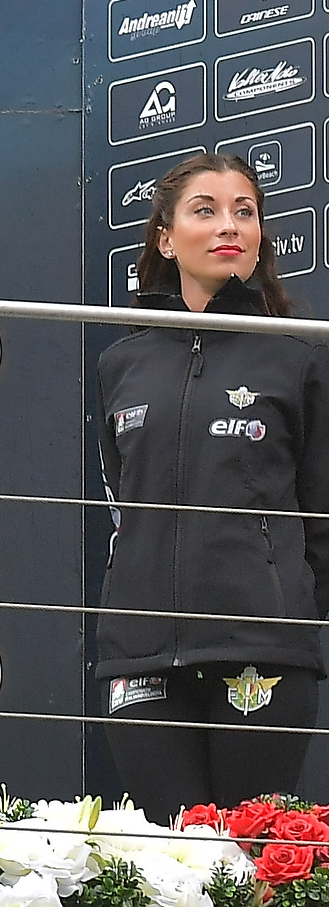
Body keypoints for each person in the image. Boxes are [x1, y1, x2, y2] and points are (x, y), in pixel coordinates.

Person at [96, 152, 328, 821]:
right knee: (170, 864)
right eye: (206, 210)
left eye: (244, 212)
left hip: (260, 651)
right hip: (139, 654)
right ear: (166, 239)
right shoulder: (120, 364)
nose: (230, 225)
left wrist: (283, 610)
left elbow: (322, 516)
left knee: (248, 863)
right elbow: (122, 503)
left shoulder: (302, 353)